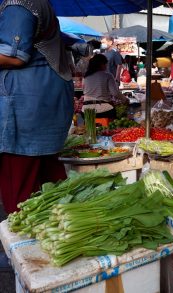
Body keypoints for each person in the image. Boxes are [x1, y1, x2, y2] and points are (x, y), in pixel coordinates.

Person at [0, 0, 74, 214]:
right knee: (49, 186)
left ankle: (25, 242)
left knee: (21, 194)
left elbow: (14, 56)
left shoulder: (18, 4)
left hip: (26, 107)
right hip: (40, 103)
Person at [82, 54, 127, 119]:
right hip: (103, 110)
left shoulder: (86, 76)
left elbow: (84, 90)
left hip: (86, 110)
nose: (106, 66)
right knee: (108, 128)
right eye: (106, 64)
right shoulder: (107, 75)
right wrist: (125, 99)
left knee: (90, 129)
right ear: (101, 64)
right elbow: (115, 93)